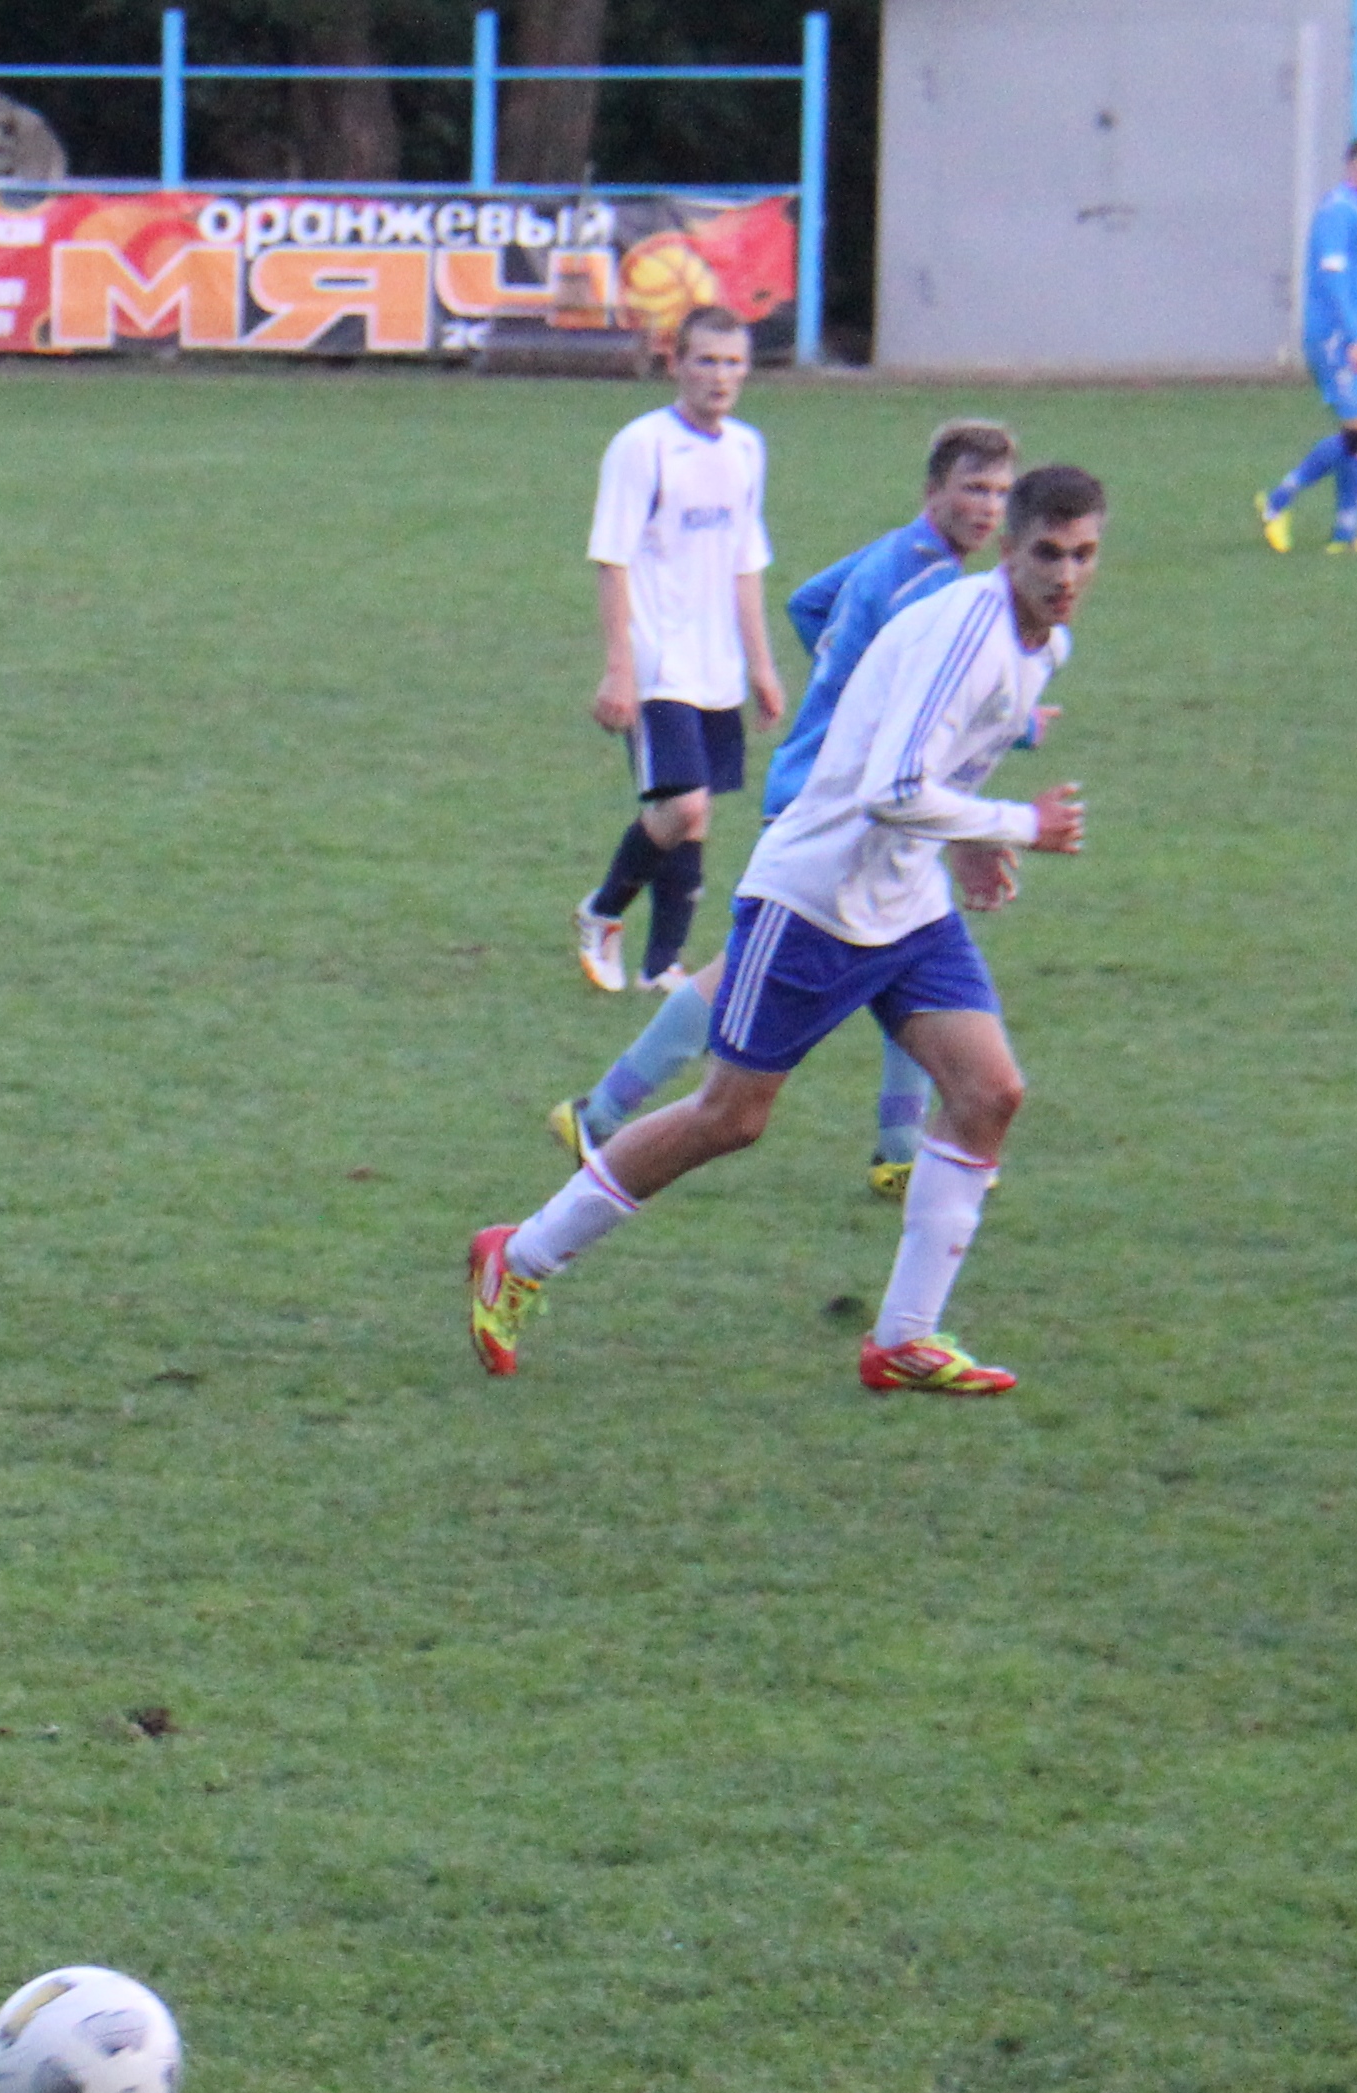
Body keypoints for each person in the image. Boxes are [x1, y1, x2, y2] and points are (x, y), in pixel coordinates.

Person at [472, 466, 1108, 1396]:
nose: (1065, 574)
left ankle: (903, 1340)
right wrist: (1017, 825)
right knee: (728, 1117)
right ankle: (519, 1254)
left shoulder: (1043, 644)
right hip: (814, 900)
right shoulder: (966, 636)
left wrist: (970, 842)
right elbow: (891, 789)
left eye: (1082, 554)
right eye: (1046, 553)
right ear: (1008, 549)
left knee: (989, 1092)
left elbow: (932, 772)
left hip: (906, 906)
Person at [554, 420, 1032, 1198]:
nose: (987, 507)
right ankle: (602, 1114)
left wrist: (846, 681)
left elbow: (811, 603)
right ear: (932, 491)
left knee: (906, 946)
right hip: (836, 804)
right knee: (761, 974)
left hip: (841, 793)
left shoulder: (897, 554)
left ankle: (896, 1149)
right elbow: (944, 692)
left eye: (1000, 493)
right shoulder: (934, 588)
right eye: (972, 488)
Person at [567, 309, 785, 997]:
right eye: (706, 360)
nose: (720, 376)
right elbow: (611, 558)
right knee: (683, 807)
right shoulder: (643, 447)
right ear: (676, 364)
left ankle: (661, 965)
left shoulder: (746, 449)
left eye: (732, 362)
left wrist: (761, 664)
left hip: (717, 664)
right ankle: (602, 910)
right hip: (657, 660)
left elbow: (745, 564)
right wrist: (618, 667)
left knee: (697, 814)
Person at [1260, 135, 1357, 557]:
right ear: (1351, 167)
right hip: (1336, 337)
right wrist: (1354, 337)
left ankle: (1345, 534)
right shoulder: (1338, 211)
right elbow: (1333, 280)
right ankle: (1277, 501)